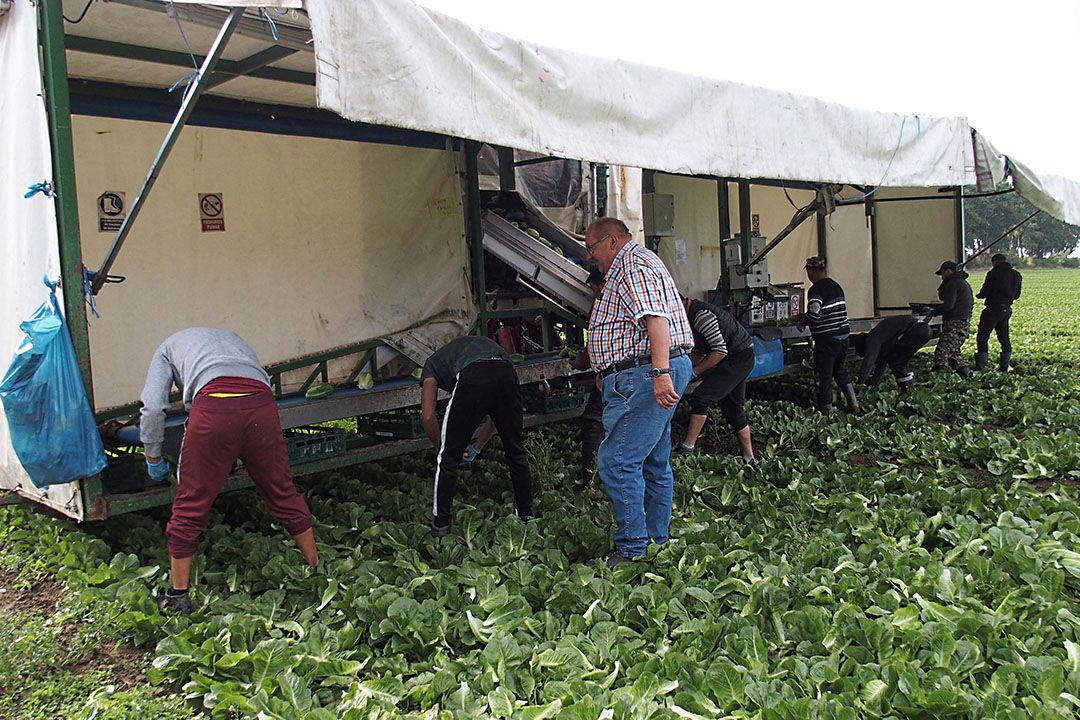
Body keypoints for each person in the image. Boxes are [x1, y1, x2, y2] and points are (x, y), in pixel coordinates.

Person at [139, 328, 319, 614]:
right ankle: (316, 570)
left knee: (191, 501)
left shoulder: (166, 348)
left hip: (214, 408)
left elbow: (152, 407)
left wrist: (153, 457)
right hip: (261, 405)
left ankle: (178, 596)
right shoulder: (233, 339)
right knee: (281, 490)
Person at [583, 217, 693, 568]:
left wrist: (659, 373)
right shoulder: (639, 262)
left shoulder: (631, 264)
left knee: (617, 461)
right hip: (644, 372)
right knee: (652, 461)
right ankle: (656, 541)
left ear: (612, 241)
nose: (589, 257)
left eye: (591, 248)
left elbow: (655, 319)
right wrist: (608, 369)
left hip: (646, 374)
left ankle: (632, 550)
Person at [420, 335, 533, 537]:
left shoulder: (431, 366)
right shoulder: (471, 345)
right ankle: (527, 514)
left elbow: (428, 416)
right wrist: (477, 447)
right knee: (516, 451)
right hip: (507, 372)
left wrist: (439, 445)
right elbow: (495, 415)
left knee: (448, 460)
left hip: (473, 375)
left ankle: (440, 525)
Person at [677, 295, 756, 460]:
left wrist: (694, 372)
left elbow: (719, 351)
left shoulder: (701, 316)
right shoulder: (690, 317)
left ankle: (687, 449)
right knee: (733, 410)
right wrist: (684, 372)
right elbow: (699, 352)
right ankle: (749, 458)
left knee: (701, 397)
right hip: (734, 357)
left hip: (739, 357)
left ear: (681, 304)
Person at [798, 257, 861, 414]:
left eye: (808, 272)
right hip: (843, 337)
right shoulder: (836, 286)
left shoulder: (816, 290)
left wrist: (802, 321)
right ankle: (854, 406)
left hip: (827, 340)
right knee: (839, 371)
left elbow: (814, 313)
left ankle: (826, 413)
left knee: (823, 376)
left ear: (812, 271)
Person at [575, 268, 607, 492]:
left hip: (614, 374)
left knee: (593, 423)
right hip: (642, 372)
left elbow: (595, 339)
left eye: (594, 289)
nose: (594, 294)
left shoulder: (603, 303)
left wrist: (585, 363)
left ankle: (592, 482)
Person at [855, 314, 932, 392]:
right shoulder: (883, 340)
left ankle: (907, 391)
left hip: (917, 330)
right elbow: (881, 366)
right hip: (923, 330)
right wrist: (873, 385)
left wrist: (859, 384)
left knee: (896, 362)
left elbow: (868, 362)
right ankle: (909, 390)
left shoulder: (873, 338)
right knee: (899, 361)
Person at [975, 253, 1023, 371]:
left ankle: (982, 366)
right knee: (1004, 337)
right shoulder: (1016, 275)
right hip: (1006, 309)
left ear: (995, 262)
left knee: (982, 336)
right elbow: (1017, 295)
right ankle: (1004, 366)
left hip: (993, 308)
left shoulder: (993, 274)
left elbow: (985, 291)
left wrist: (979, 295)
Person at [928, 260, 974, 378]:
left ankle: (939, 377)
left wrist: (933, 312)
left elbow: (949, 305)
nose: (942, 277)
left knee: (942, 351)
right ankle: (966, 374)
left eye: (943, 273)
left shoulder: (953, 283)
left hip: (956, 322)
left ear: (949, 271)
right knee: (953, 352)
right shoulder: (961, 283)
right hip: (961, 321)